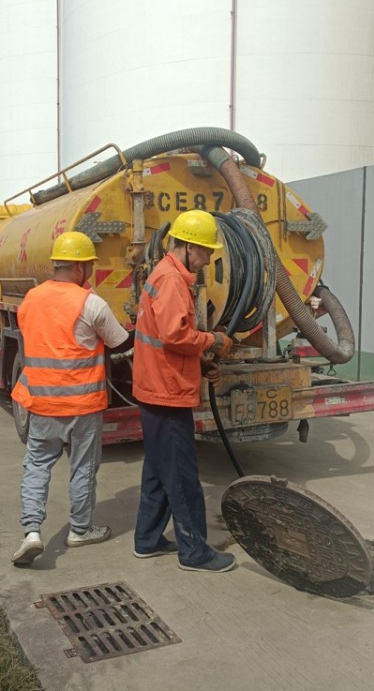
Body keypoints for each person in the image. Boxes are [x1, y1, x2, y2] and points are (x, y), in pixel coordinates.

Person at [10, 231, 129, 566]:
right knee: (83, 467)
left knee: (37, 465)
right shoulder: (91, 303)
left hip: (42, 403)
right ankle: (80, 529)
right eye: (90, 265)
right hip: (82, 405)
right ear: (80, 267)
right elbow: (119, 341)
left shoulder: (31, 298)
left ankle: (32, 531)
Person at [132, 209, 237, 573]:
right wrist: (214, 341)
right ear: (189, 247)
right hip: (167, 391)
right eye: (206, 251)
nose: (208, 259)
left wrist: (200, 364)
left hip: (157, 385)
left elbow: (165, 340)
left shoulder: (164, 274)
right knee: (182, 475)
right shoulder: (173, 280)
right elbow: (175, 335)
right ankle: (194, 552)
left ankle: (147, 539)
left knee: (159, 471)